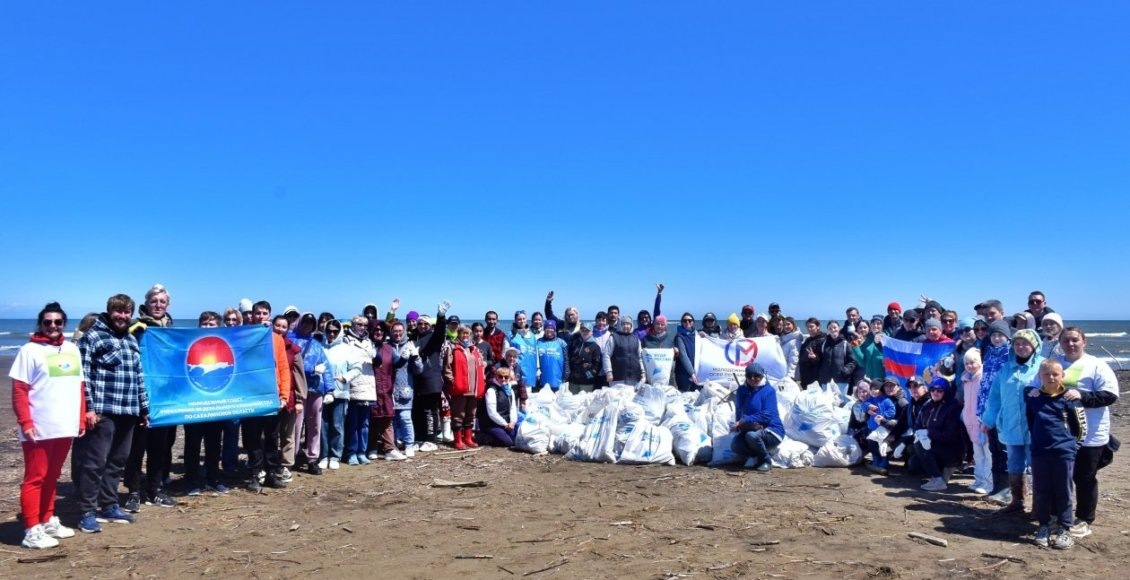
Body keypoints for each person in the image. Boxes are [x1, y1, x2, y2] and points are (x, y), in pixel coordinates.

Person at [11, 302, 84, 548]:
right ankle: (31, 531)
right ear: (40, 324)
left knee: (52, 476)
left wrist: (81, 416)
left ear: (64, 324)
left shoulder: (72, 349)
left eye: (58, 322)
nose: (53, 326)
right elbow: (20, 391)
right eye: (47, 322)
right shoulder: (29, 350)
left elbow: (79, 386)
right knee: (36, 477)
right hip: (38, 426)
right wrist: (25, 422)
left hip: (64, 424)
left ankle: (47, 519)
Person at [74, 294, 147, 533]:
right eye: (118, 311)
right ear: (109, 311)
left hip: (128, 409)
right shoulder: (92, 337)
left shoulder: (130, 340)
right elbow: (83, 376)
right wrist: (89, 408)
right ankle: (86, 511)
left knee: (117, 461)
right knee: (95, 463)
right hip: (104, 411)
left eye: (127, 312)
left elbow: (138, 377)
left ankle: (109, 505)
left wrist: (143, 408)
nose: (122, 316)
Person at [1056, 327, 1120, 539]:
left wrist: (1082, 396)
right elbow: (1039, 383)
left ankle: (1084, 519)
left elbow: (1110, 395)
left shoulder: (1096, 365)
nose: (1071, 344)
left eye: (1075, 340)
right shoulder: (1057, 363)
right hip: (1061, 432)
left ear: (1084, 341)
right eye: (1066, 340)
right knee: (1063, 476)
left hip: (1091, 433)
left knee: (1084, 477)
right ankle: (1060, 513)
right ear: (1060, 343)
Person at [123, 284, 175, 511]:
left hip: (164, 397)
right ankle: (133, 491)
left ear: (168, 305)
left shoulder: (172, 329)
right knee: (137, 447)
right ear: (146, 303)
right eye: (154, 301)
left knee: (160, 447)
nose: (158, 305)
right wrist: (133, 331)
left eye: (162, 301)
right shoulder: (136, 327)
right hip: (139, 396)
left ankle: (155, 490)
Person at [982, 328, 1044, 514]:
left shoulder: (1043, 366)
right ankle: (1017, 501)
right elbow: (994, 398)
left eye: (1025, 343)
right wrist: (988, 420)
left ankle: (1039, 507)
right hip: (1010, 425)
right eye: (1017, 343)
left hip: (1035, 427)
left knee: (1038, 467)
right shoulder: (1005, 369)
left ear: (1035, 345)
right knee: (1015, 465)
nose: (1021, 347)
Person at [1025, 359, 1083, 550]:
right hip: (1040, 452)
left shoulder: (1070, 398)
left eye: (1055, 374)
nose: (1051, 378)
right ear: (1040, 377)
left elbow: (1080, 426)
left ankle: (1065, 528)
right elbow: (1031, 422)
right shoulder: (1033, 398)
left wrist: (1073, 447)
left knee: (1064, 491)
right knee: (1041, 490)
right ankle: (1043, 526)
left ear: (1062, 376)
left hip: (1063, 453)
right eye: (1046, 374)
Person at [239, 301, 293, 492]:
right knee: (252, 438)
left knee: (271, 438)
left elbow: (284, 369)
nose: (261, 316)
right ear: (252, 315)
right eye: (258, 313)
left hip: (272, 396)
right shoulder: (244, 337)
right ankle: (254, 474)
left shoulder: (277, 340)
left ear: (269, 315)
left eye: (264, 313)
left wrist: (284, 396)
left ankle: (271, 473)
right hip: (251, 397)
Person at [182, 311, 229, 494]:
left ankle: (213, 478)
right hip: (193, 405)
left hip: (216, 405)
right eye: (205, 324)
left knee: (214, 445)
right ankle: (192, 480)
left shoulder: (224, 346)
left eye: (212, 324)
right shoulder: (190, 344)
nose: (208, 327)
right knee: (192, 444)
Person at [292, 313, 329, 475]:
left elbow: (327, 368)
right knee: (296, 425)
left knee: (315, 425)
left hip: (316, 389)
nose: (307, 325)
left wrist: (330, 389)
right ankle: (292, 456)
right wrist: (311, 369)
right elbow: (292, 365)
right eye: (305, 322)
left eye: (310, 322)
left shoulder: (317, 344)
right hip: (298, 389)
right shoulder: (291, 340)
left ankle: (312, 458)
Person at [729, 363, 784, 472]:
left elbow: (768, 414)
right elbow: (739, 411)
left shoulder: (768, 391)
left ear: (762, 376)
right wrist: (738, 425)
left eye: (756, 376)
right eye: (749, 376)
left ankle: (766, 461)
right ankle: (758, 454)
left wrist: (744, 420)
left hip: (771, 431)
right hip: (751, 428)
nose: (753, 379)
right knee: (735, 445)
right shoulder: (741, 390)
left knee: (752, 436)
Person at [913, 378, 965, 491]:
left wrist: (929, 433)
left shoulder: (952, 407)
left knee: (920, 447)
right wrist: (919, 433)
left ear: (946, 392)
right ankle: (940, 472)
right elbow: (917, 424)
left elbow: (950, 435)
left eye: (940, 390)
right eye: (933, 389)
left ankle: (939, 478)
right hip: (933, 444)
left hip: (950, 449)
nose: (935, 393)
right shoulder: (927, 405)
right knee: (913, 463)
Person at [411, 304, 450, 452]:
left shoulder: (434, 337)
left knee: (430, 411)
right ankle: (420, 438)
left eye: (425, 323)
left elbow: (441, 331)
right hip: (417, 381)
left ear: (430, 325)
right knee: (418, 411)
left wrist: (440, 316)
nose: (422, 326)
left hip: (431, 381)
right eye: (420, 323)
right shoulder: (414, 338)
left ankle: (431, 439)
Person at [444, 324, 486, 450]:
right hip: (460, 387)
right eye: (463, 333)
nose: (465, 336)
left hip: (474, 387)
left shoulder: (474, 349)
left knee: (471, 414)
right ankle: (457, 440)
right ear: (458, 334)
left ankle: (468, 438)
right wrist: (452, 381)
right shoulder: (453, 348)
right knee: (458, 414)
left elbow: (481, 365)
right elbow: (447, 368)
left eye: (467, 333)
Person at [342, 315, 375, 465]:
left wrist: (375, 355)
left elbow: (378, 361)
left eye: (365, 325)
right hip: (354, 386)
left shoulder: (369, 342)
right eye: (359, 324)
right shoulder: (347, 340)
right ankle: (351, 452)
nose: (362, 327)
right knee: (353, 423)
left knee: (365, 424)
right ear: (353, 325)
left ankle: (362, 451)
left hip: (368, 386)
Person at [959, 349, 992, 495]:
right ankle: (978, 480)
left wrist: (985, 418)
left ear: (980, 362)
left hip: (982, 421)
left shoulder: (984, 377)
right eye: (967, 363)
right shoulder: (966, 379)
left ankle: (988, 483)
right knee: (977, 454)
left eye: (973, 362)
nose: (970, 365)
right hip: (970, 421)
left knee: (988, 453)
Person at [388, 321, 422, 458]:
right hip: (389, 389)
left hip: (405, 389)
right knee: (391, 420)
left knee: (405, 418)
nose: (397, 334)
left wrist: (416, 356)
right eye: (395, 331)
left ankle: (409, 444)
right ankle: (394, 444)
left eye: (400, 331)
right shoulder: (387, 346)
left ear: (404, 332)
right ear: (391, 332)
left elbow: (419, 370)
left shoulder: (409, 345)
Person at [320, 320, 351, 470]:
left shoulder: (346, 348)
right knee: (322, 426)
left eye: (335, 331)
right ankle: (324, 455)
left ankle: (335, 455)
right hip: (322, 393)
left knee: (337, 425)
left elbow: (356, 368)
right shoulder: (320, 347)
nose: (331, 334)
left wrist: (345, 377)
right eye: (329, 331)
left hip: (340, 391)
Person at [479, 366, 518, 447]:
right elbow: (492, 413)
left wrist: (512, 422)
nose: (503, 379)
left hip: (507, 422)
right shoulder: (491, 390)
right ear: (496, 377)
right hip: (492, 423)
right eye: (500, 376)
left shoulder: (510, 391)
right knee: (508, 442)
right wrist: (505, 424)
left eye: (506, 377)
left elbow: (513, 408)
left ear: (509, 378)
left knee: (516, 439)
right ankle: (484, 436)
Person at [817, 321, 857, 399]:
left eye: (835, 327)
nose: (833, 330)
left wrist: (845, 371)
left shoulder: (845, 343)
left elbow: (853, 361)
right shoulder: (823, 343)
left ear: (839, 328)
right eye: (830, 328)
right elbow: (821, 359)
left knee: (841, 403)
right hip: (826, 380)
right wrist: (814, 357)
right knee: (826, 403)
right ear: (828, 330)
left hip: (841, 380)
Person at [605, 318, 644, 386]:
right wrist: (609, 372)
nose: (626, 326)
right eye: (624, 324)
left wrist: (643, 373)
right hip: (617, 377)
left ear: (631, 326)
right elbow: (606, 355)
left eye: (628, 324)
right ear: (620, 325)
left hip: (634, 377)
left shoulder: (636, 339)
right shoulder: (613, 337)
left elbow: (640, 357)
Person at [534, 320, 569, 392]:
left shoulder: (562, 343)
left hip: (557, 380)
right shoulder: (538, 342)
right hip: (542, 380)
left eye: (551, 328)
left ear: (554, 329)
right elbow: (535, 360)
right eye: (547, 328)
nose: (549, 330)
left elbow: (566, 361)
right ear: (544, 329)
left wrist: (565, 376)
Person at [569, 325, 604, 394]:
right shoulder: (576, 344)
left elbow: (597, 364)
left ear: (591, 332)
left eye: (587, 330)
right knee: (573, 402)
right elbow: (571, 359)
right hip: (573, 380)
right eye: (583, 330)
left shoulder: (595, 346)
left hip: (587, 382)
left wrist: (589, 375)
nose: (584, 332)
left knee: (583, 402)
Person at [674, 313, 699, 392]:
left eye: (690, 320)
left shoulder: (697, 336)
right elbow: (683, 355)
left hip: (697, 372)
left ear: (693, 322)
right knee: (684, 398)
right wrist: (692, 373)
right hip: (684, 373)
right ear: (682, 323)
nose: (687, 322)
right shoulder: (679, 337)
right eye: (685, 321)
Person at [798, 317, 825, 388]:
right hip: (805, 375)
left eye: (812, 326)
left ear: (818, 327)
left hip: (815, 376)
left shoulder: (823, 340)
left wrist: (815, 358)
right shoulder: (808, 340)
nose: (809, 329)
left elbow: (825, 360)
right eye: (807, 327)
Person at [779, 317, 803, 381]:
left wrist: (790, 376)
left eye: (788, 324)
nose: (786, 326)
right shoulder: (784, 338)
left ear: (793, 325)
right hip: (783, 372)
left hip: (791, 376)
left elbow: (794, 360)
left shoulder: (795, 340)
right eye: (784, 325)